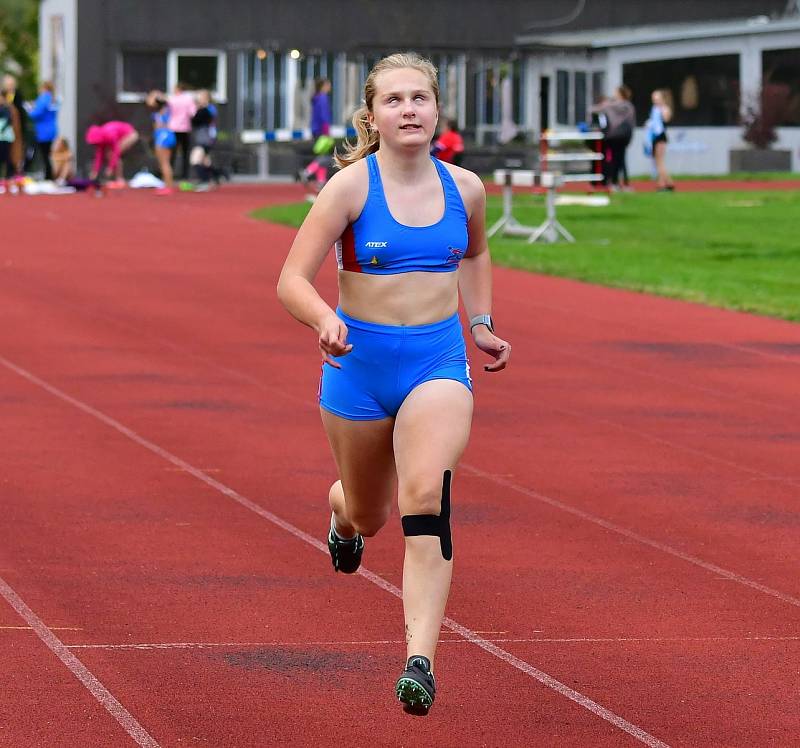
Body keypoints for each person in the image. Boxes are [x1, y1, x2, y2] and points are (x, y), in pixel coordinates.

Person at [277, 52, 511, 715]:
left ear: (437, 110)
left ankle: (419, 660)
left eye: (420, 99)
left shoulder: (466, 187)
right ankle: (341, 514)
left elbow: (476, 252)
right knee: (370, 511)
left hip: (437, 364)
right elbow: (291, 279)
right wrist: (324, 317)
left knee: (425, 501)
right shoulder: (349, 188)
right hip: (358, 367)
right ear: (372, 115)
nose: (408, 110)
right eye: (394, 100)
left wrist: (483, 321)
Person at [596, 86, 635, 191]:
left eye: (616, 92)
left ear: (620, 94)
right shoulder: (628, 106)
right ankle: (622, 183)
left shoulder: (614, 105)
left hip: (615, 136)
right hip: (622, 137)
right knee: (620, 160)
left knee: (615, 160)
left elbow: (597, 109)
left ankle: (615, 182)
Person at [299, 78, 333, 192]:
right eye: (328, 84)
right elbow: (324, 116)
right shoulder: (323, 98)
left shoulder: (316, 98)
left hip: (316, 130)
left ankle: (321, 181)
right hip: (322, 131)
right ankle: (307, 172)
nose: (330, 86)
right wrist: (327, 131)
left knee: (321, 156)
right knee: (324, 157)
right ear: (323, 86)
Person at [85, 120, 139, 185]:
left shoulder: (109, 135)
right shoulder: (101, 139)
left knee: (112, 154)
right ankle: (117, 179)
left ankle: (119, 179)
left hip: (131, 134)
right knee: (110, 155)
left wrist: (110, 168)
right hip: (125, 135)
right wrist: (95, 171)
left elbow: (116, 151)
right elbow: (99, 155)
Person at [26, 81, 59, 180]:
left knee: (40, 154)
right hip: (51, 130)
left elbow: (35, 114)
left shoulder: (44, 98)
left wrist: (29, 109)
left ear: (43, 88)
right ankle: (49, 176)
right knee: (47, 154)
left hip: (43, 131)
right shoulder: (53, 99)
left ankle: (47, 176)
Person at [146, 91, 176, 195]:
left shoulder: (163, 109)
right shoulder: (165, 110)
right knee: (165, 163)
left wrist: (155, 94)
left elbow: (151, 101)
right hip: (167, 135)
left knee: (164, 163)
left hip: (163, 136)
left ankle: (168, 186)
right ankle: (167, 185)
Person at [645, 89, 674, 192]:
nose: (655, 101)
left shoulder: (664, 109)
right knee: (657, 162)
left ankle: (669, 182)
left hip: (661, 137)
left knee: (660, 161)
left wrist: (661, 111)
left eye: (657, 98)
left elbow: (666, 119)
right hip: (654, 137)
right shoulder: (654, 109)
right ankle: (661, 183)